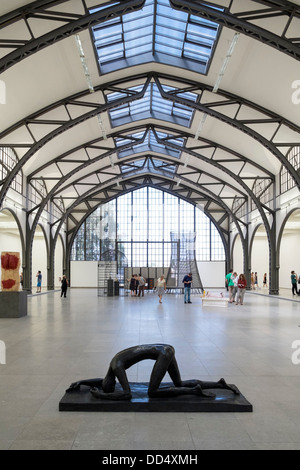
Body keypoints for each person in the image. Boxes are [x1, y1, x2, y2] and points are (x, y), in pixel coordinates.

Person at [66, 344, 240, 400]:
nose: (116, 384)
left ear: (110, 381)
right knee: (177, 382)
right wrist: (82, 382)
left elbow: (126, 395)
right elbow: (99, 381)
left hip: (164, 353)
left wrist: (101, 396)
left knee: (152, 392)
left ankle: (194, 391)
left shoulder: (116, 368)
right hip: (166, 348)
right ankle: (219, 384)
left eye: (113, 386)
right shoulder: (112, 366)